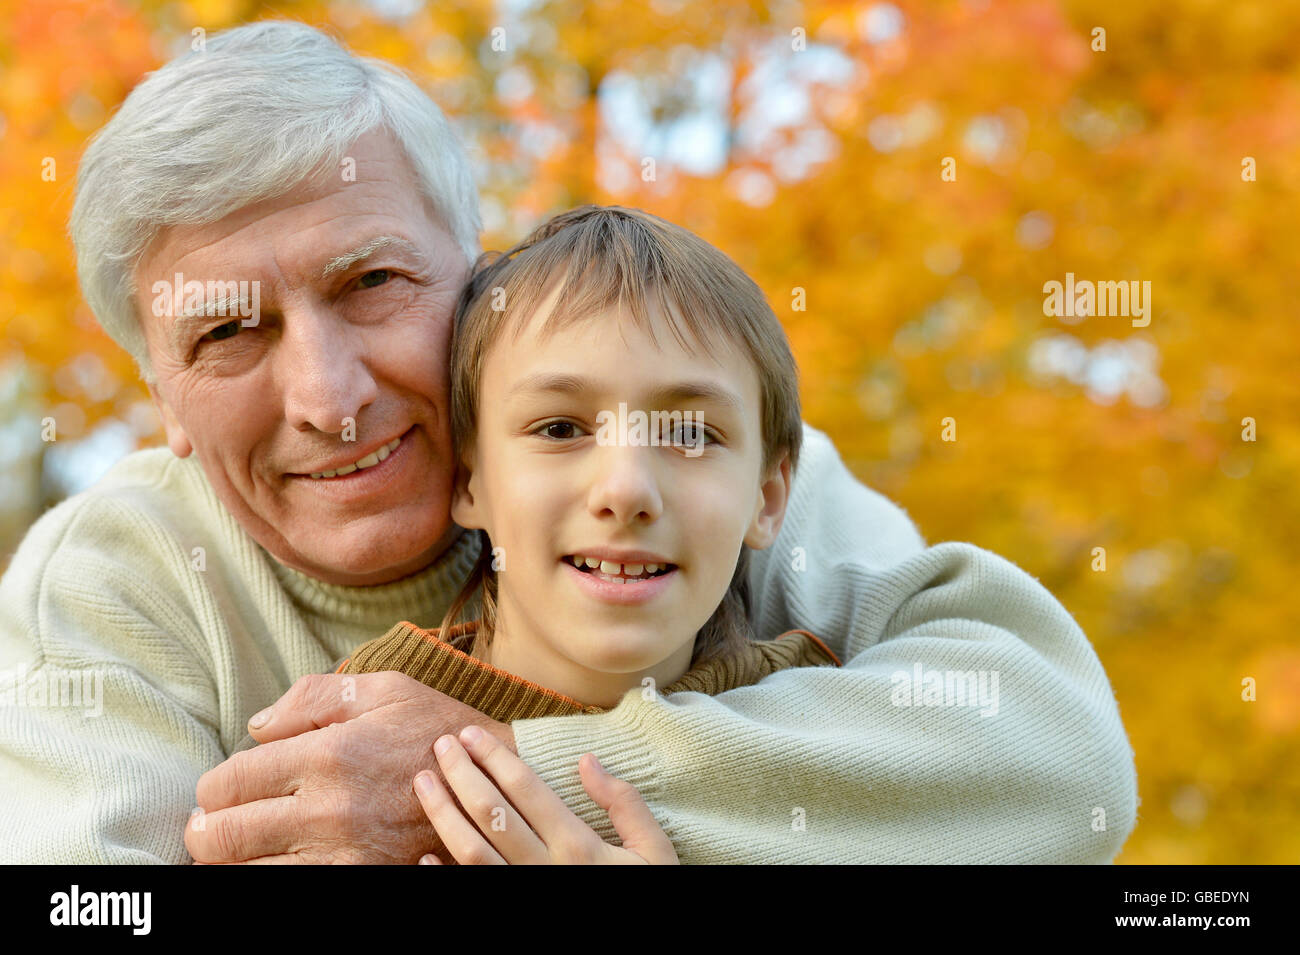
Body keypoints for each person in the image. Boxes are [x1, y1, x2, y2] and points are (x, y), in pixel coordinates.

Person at [0, 20, 1137, 865]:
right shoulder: (112, 579)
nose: (328, 395)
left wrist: (491, 787)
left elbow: (1053, 751)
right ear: (164, 401)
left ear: (477, 275)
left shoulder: (693, 473)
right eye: (229, 332)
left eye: (373, 281)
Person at [336, 205, 842, 863]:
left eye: (690, 433)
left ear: (768, 496)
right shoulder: (359, 731)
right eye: (560, 429)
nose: (626, 489)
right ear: (468, 480)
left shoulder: (826, 718)